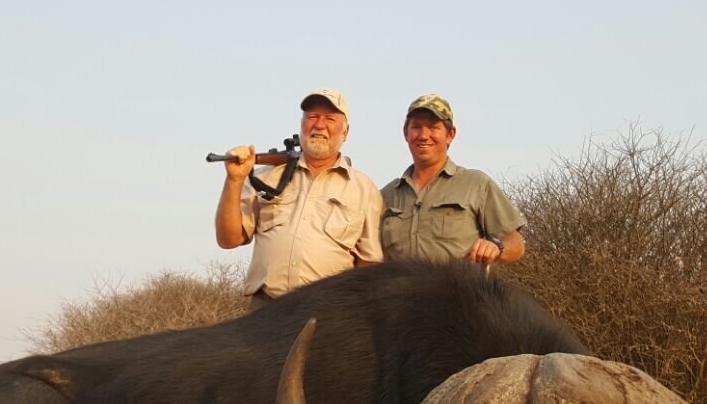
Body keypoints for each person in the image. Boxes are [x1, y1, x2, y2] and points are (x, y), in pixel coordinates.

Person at [215, 88, 383, 308]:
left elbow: (368, 264)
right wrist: (234, 180)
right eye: (312, 117)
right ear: (302, 124)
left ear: (345, 132)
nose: (320, 125)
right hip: (266, 312)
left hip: (328, 312)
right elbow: (228, 240)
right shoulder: (265, 177)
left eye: (330, 119)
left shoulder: (364, 189)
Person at [380, 94, 525, 265]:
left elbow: (516, 245)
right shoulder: (385, 195)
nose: (424, 135)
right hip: (398, 292)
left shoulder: (476, 184)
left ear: (450, 135)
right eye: (416, 127)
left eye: (434, 127)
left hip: (459, 291)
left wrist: (496, 247)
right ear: (406, 134)